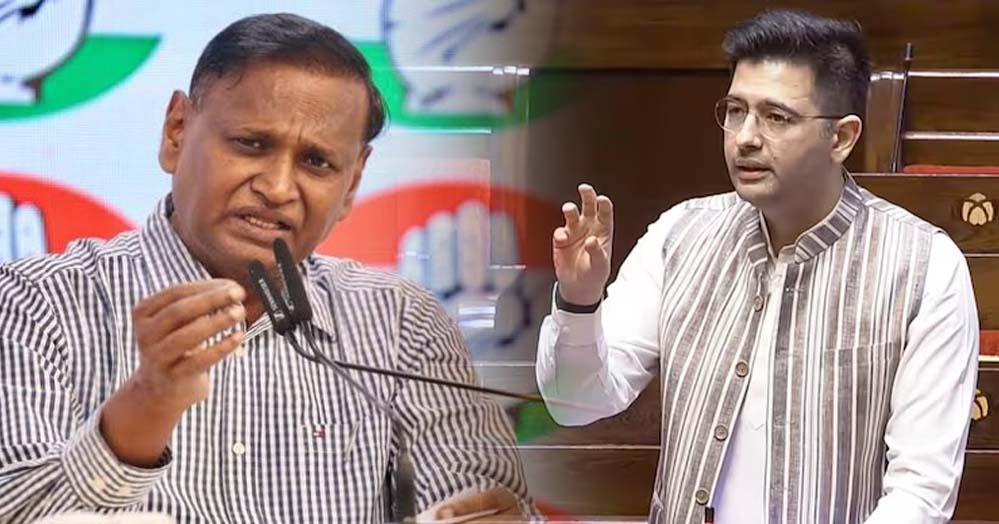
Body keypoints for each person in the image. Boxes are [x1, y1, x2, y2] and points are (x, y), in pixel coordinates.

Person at [0, 13, 530, 523]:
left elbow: (485, 500)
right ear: (177, 131)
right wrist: (145, 405)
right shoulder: (36, 305)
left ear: (352, 182)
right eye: (251, 144)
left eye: (316, 162)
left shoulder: (401, 324)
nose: (277, 188)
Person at [536, 9, 979, 524]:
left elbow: (920, 492)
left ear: (841, 137)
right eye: (735, 110)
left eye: (776, 117)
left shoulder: (924, 267)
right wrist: (579, 301)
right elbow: (576, 402)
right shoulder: (679, 235)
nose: (745, 137)